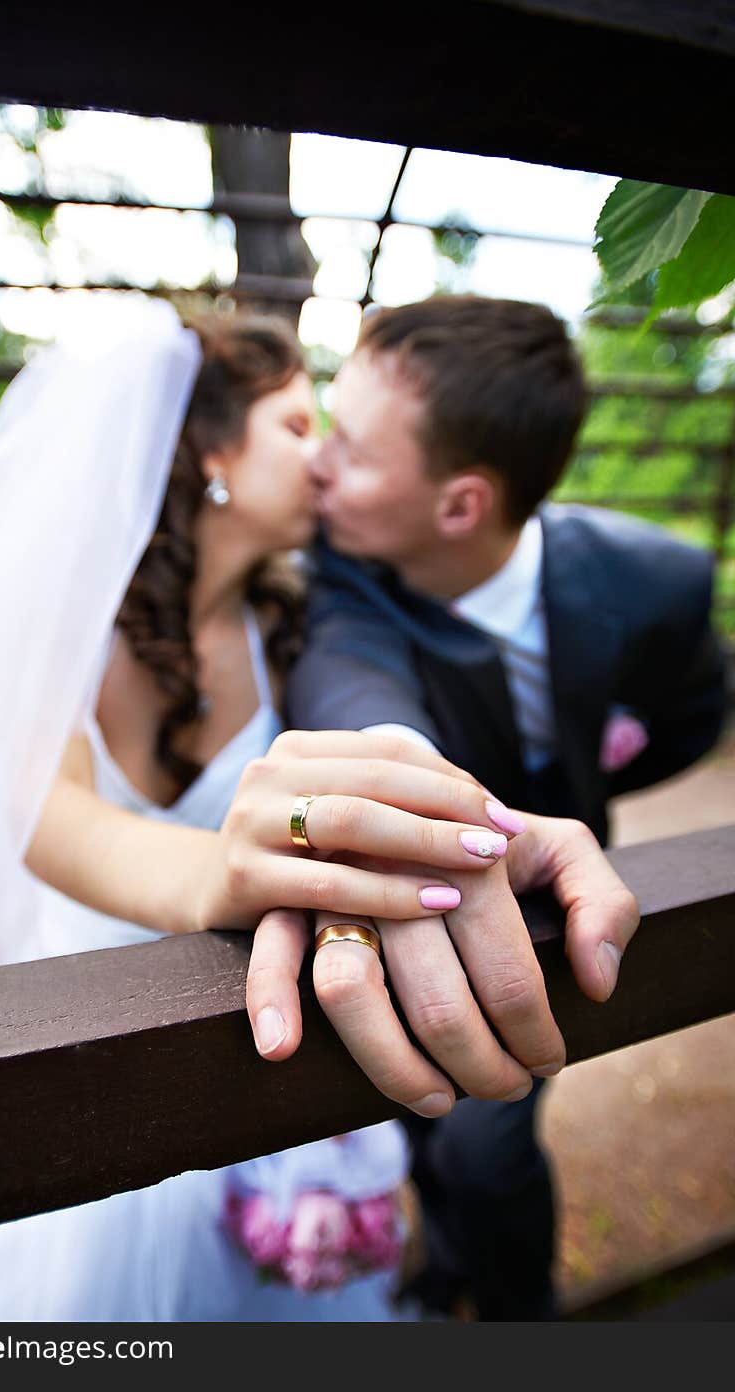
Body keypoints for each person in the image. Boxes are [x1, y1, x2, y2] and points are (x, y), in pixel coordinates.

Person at [0, 297, 577, 1321]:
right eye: (295, 425)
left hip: (272, 1055)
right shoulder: (60, 636)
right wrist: (219, 873)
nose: (322, 456)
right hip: (102, 1058)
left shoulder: (298, 618)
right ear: (209, 456)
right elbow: (42, 820)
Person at [248, 294, 727, 1320]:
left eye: (356, 448)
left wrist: (584, 795)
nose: (319, 464)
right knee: (415, 1108)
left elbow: (690, 719)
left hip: (556, 893)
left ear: (461, 504)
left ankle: (520, 1317)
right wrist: (415, 793)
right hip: (429, 884)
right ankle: (446, 1266)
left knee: (483, 1125)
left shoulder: (662, 583)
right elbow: (352, 682)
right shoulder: (340, 571)